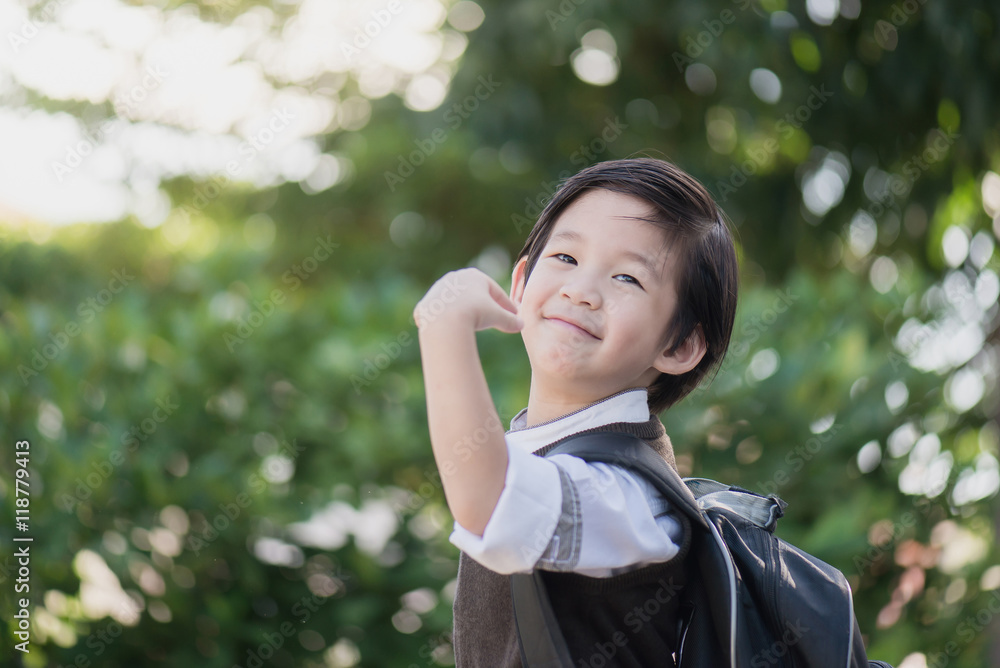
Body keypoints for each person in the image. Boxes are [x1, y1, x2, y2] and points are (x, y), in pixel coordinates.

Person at [413, 157, 739, 666]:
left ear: (679, 345)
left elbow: (489, 500)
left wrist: (443, 325)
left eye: (628, 278)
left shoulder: (630, 492)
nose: (581, 291)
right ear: (519, 285)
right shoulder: (533, 445)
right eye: (565, 257)